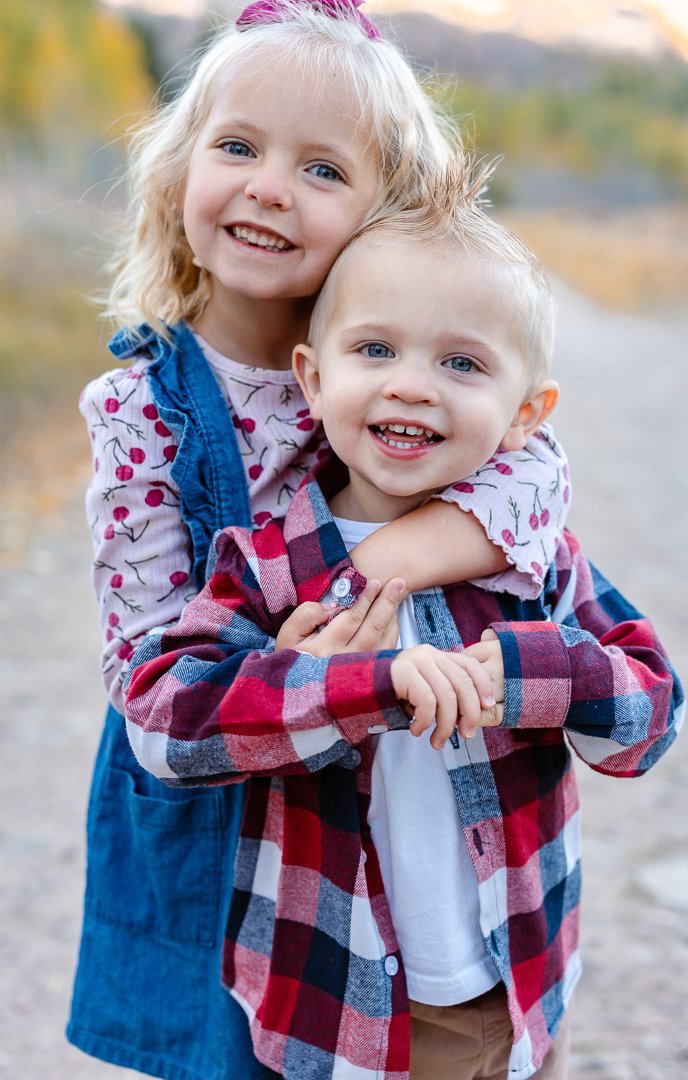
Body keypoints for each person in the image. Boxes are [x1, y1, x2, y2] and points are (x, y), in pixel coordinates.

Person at [70, 4, 572, 1078]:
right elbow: (145, 664)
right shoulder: (140, 412)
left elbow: (539, 478)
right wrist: (291, 661)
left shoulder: (394, 362)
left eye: (323, 170)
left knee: (388, 999)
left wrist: (380, 568)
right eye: (238, 147)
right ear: (178, 170)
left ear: (383, 216)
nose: (268, 186)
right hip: (223, 773)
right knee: (232, 1045)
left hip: (388, 758)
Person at [122, 165, 684, 1080]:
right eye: (375, 350)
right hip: (331, 997)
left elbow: (649, 720)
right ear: (313, 374)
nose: (413, 387)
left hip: (516, 977)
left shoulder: (527, 558)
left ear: (525, 414)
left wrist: (523, 672)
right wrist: (359, 686)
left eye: (461, 363)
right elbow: (164, 728)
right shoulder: (270, 564)